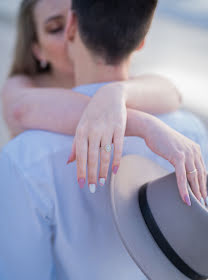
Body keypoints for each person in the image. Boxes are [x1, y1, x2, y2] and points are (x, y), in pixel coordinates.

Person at [0, 0, 207, 280]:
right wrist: (139, 124)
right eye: (52, 27)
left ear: (75, 27)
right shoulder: (186, 131)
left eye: (68, 19)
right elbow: (21, 107)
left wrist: (117, 96)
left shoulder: (29, 158)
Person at [2, 0, 184, 193]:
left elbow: (172, 93)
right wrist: (143, 125)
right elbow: (20, 111)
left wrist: (116, 93)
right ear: (37, 50)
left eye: (78, 19)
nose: (71, 33)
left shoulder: (114, 84)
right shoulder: (23, 85)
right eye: (55, 28)